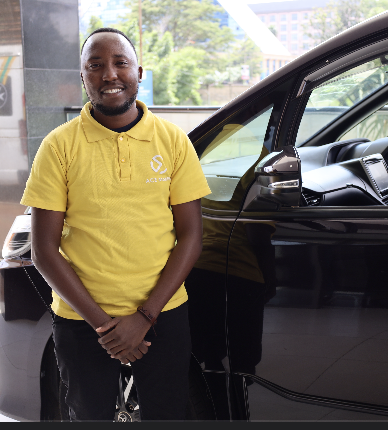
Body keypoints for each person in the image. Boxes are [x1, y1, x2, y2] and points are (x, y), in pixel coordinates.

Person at [20, 28, 211, 421]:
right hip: (81, 319)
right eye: (96, 65)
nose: (109, 74)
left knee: (169, 414)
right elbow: (44, 251)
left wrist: (143, 318)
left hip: (163, 314)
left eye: (120, 63)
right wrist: (108, 328)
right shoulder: (58, 146)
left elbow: (191, 236)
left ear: (138, 72)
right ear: (83, 78)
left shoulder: (173, 141)